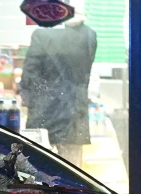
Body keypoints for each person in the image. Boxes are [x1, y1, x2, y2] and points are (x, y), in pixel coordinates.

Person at [19, 17, 97, 168]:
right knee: (73, 173)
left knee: (38, 170)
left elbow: (30, 76)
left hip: (44, 112)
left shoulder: (41, 35)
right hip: (75, 113)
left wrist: (29, 102)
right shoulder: (89, 34)